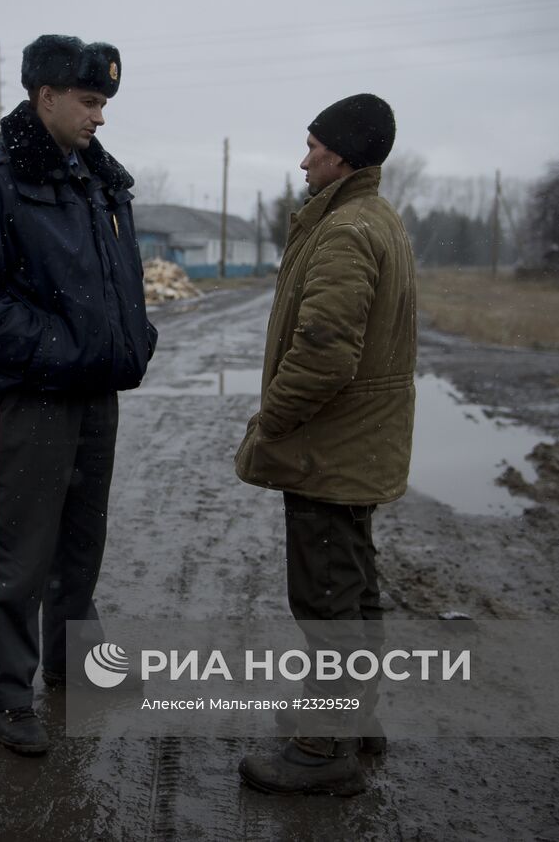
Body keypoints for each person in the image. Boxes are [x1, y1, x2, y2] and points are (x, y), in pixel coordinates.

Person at [0, 34, 157, 755]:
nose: (100, 117)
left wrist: (131, 340)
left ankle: (71, 665)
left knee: (80, 546)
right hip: (36, 398)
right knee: (19, 554)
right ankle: (7, 697)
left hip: (96, 396)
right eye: (90, 102)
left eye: (105, 103)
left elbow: (120, 282)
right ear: (46, 96)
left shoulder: (100, 181)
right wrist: (58, 350)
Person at [232, 93, 416, 795]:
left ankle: (320, 751)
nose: (304, 157)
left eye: (313, 146)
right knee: (356, 591)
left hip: (329, 450)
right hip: (358, 446)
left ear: (341, 155)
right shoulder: (377, 218)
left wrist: (272, 421)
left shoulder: (344, 230)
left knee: (328, 602)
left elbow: (323, 353)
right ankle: (354, 718)